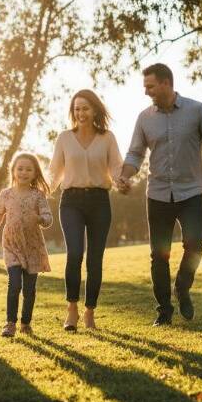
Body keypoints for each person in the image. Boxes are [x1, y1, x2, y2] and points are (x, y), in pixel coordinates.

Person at [117, 63, 202, 326]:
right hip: (157, 194)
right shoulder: (144, 118)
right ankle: (164, 311)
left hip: (190, 192)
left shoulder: (196, 110)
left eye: (150, 86)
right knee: (159, 255)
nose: (146, 92)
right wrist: (125, 175)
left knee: (195, 246)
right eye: (145, 87)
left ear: (166, 83)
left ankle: (183, 288)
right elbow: (135, 154)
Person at [48, 89, 123, 331]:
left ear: (95, 110)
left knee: (95, 259)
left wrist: (122, 181)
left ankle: (90, 311)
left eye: (85, 108)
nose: (81, 113)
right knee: (75, 253)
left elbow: (116, 167)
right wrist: (37, 195)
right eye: (77, 109)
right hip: (71, 201)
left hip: (100, 201)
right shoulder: (64, 138)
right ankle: (72, 309)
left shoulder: (107, 138)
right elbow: (54, 172)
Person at [0, 153, 53, 338]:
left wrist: (40, 218)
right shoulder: (6, 194)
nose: (24, 172)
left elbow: (48, 218)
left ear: (35, 173)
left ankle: (25, 323)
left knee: (29, 290)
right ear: (13, 171)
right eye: (20, 168)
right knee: (14, 284)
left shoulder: (38, 195)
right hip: (11, 245)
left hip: (33, 247)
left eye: (29, 169)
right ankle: (10, 323)